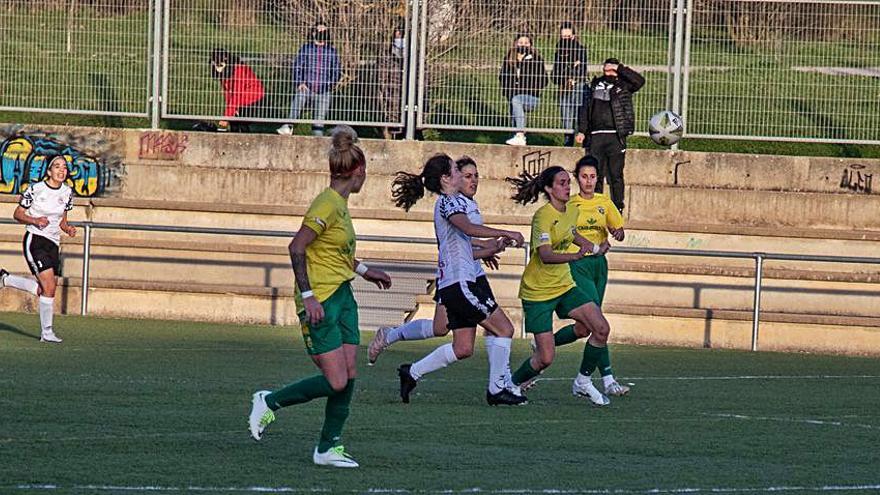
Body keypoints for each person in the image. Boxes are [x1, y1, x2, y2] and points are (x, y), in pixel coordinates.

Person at [247, 126, 392, 468]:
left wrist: (364, 270)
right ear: (358, 172)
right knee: (336, 380)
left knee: (350, 373)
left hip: (342, 294)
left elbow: (333, 253)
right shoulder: (327, 204)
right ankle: (269, 402)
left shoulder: (339, 204)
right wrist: (309, 296)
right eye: (365, 173)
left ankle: (328, 448)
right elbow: (297, 247)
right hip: (322, 300)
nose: (365, 178)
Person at [368, 157, 515, 395]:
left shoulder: (462, 203)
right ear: (447, 178)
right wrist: (502, 233)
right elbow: (465, 231)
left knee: (460, 344)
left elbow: (464, 240)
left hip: (465, 277)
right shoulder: (449, 203)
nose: (472, 180)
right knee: (502, 329)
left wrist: (490, 248)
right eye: (464, 173)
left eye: (475, 175)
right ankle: (501, 387)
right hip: (458, 280)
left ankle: (411, 371)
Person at [504, 165, 612, 406]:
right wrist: (575, 257)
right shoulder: (543, 216)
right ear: (549, 188)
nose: (567, 187)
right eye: (562, 183)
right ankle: (511, 385)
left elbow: (573, 234)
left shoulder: (571, 210)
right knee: (545, 358)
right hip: (538, 291)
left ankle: (583, 381)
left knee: (600, 328)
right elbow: (545, 254)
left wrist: (595, 249)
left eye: (567, 182)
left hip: (564, 285)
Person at [549, 156, 629, 397]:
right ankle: (607, 380)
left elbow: (620, 232)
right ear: (577, 178)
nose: (589, 181)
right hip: (578, 264)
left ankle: (544, 344)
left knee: (585, 328)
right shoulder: (570, 204)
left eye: (593, 176)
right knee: (599, 323)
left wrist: (617, 233)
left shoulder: (605, 202)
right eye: (584, 176)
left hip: (598, 266)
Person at [0, 155, 76, 344]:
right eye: (57, 167)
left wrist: (68, 228)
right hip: (35, 240)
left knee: (48, 289)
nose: (61, 170)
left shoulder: (67, 192)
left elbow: (62, 221)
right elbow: (17, 213)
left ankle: (5, 279)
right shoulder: (35, 189)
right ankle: (47, 332)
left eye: (64, 167)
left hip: (53, 243)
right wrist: (35, 220)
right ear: (49, 171)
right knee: (49, 287)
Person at [575, 58, 644, 213]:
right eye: (606, 70)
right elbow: (586, 109)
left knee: (615, 174)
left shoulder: (623, 85)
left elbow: (639, 81)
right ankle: (596, 206)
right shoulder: (594, 85)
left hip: (615, 136)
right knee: (596, 174)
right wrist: (582, 130)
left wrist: (620, 68)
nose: (609, 73)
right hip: (596, 136)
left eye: (612, 71)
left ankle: (617, 206)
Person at [277, 22, 342, 137]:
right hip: (307, 87)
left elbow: (336, 69)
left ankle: (317, 142)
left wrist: (331, 84)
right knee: (298, 101)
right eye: (319, 31)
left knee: (318, 125)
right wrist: (299, 82)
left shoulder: (331, 51)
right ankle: (288, 126)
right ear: (313, 33)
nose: (322, 34)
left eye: (325, 31)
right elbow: (298, 66)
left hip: (324, 90)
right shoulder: (306, 48)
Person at [499, 34, 548, 146]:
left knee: (516, 100)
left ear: (530, 45)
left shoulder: (536, 59)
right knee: (514, 115)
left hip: (531, 97)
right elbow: (503, 77)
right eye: (521, 42)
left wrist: (527, 86)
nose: (523, 45)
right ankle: (514, 141)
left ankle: (520, 134)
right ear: (515, 43)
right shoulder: (508, 59)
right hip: (513, 95)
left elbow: (544, 80)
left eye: (526, 43)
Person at [551, 22, 589, 147]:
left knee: (580, 118)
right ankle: (568, 146)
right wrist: (570, 68)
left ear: (573, 36)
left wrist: (570, 71)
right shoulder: (558, 52)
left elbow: (581, 71)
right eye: (563, 36)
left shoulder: (581, 50)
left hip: (578, 86)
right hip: (564, 87)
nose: (565, 39)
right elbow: (555, 74)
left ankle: (584, 146)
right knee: (566, 120)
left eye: (568, 36)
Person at [210, 48, 265, 133]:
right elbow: (227, 92)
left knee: (241, 120)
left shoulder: (239, 70)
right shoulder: (224, 73)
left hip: (253, 99)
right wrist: (230, 110)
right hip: (240, 99)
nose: (218, 69)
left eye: (220, 65)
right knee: (234, 120)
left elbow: (237, 94)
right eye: (216, 65)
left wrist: (226, 116)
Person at [377, 27, 406, 140]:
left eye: (401, 35)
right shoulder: (387, 55)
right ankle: (393, 136)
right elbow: (382, 74)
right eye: (397, 35)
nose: (398, 38)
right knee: (393, 117)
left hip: (408, 91)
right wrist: (384, 87)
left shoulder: (413, 55)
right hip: (392, 90)